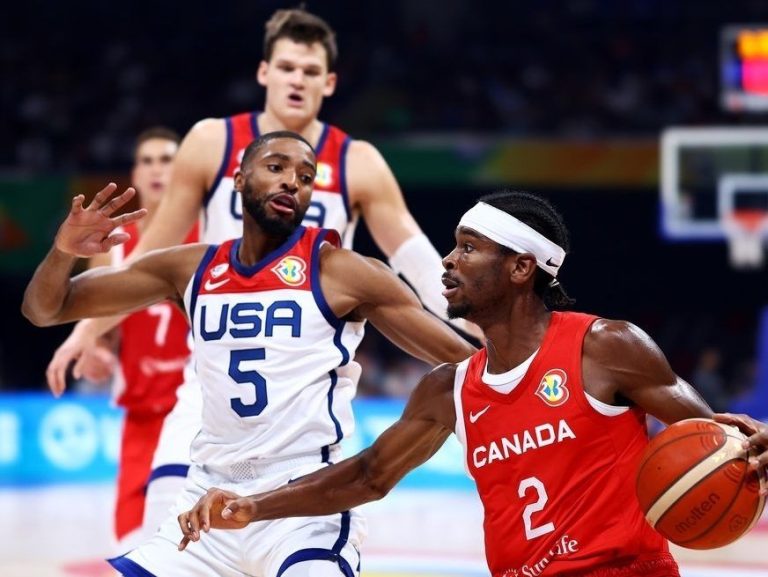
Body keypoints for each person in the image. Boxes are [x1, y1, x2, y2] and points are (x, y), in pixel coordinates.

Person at [177, 191, 768, 577]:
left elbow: (713, 439)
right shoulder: (447, 389)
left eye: (468, 248)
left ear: (520, 269)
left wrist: (751, 447)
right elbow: (366, 476)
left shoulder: (605, 346)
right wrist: (254, 505)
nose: (446, 262)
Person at [45, 6, 480, 529]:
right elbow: (150, 254)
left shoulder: (357, 161)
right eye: (289, 67)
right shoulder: (211, 142)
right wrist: (87, 333)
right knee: (167, 523)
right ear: (264, 72)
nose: (298, 80)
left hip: (303, 389)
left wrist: (475, 324)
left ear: (330, 82)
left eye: (311, 71)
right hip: (212, 376)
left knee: (282, 537)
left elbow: (412, 257)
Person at [22, 132, 476, 577]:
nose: (291, 182)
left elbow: (465, 360)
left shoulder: (341, 271)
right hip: (205, 504)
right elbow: (45, 310)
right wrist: (63, 252)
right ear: (237, 180)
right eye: (276, 167)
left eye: (305, 176)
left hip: (304, 507)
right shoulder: (189, 268)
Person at [53, 127, 198, 551]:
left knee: (198, 545)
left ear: (185, 169)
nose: (157, 169)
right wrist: (97, 347)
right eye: (148, 161)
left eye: (167, 159)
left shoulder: (209, 234)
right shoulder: (111, 247)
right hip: (141, 414)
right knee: (131, 544)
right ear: (136, 172)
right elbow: (102, 325)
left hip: (197, 413)